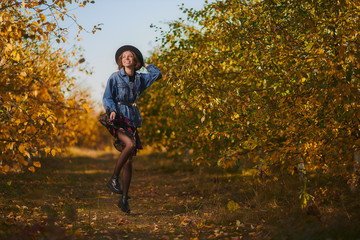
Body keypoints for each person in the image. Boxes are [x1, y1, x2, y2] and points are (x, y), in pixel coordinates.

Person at [99, 45, 162, 213]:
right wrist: (111, 110)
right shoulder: (115, 77)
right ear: (121, 61)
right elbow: (107, 97)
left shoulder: (141, 79)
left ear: (135, 61)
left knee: (129, 160)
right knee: (130, 145)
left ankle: (124, 199)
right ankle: (113, 178)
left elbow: (157, 75)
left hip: (132, 118)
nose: (126, 58)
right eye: (124, 57)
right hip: (118, 118)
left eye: (130, 57)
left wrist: (145, 64)